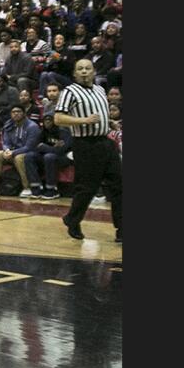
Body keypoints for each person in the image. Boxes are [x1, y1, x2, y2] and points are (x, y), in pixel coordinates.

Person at [54, 58, 122, 241]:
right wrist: (83, 121)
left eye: (87, 68)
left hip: (106, 142)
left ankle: (122, 229)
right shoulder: (70, 92)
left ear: (94, 71)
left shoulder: (100, 89)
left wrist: (110, 123)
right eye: (80, 69)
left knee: (119, 186)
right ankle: (72, 220)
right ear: (75, 74)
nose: (84, 71)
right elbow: (58, 118)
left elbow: (100, 114)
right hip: (85, 145)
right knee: (87, 188)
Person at [0, 104, 40, 198]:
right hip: (12, 152)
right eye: (13, 112)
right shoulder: (8, 125)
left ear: (24, 113)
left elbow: (29, 147)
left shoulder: (32, 127)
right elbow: (5, 142)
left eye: (18, 112)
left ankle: (27, 187)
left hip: (30, 153)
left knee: (19, 158)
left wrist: (13, 153)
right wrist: (6, 150)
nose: (16, 114)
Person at [34, 112, 72, 199]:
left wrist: (45, 147)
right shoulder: (43, 132)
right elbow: (36, 147)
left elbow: (61, 151)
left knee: (49, 156)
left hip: (65, 158)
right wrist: (49, 148)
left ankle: (51, 189)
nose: (47, 122)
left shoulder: (63, 132)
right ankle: (35, 187)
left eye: (50, 120)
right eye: (45, 120)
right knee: (30, 156)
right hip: (48, 156)